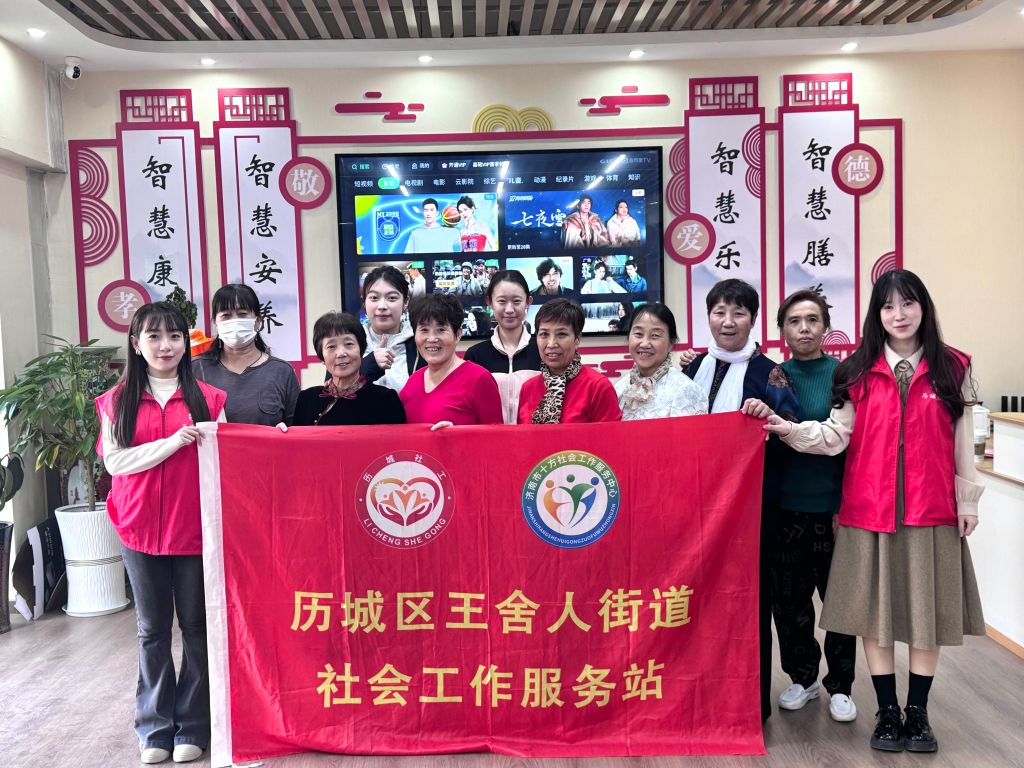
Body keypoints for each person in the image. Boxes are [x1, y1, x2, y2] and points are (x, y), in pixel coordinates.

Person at [760, 270, 984, 754]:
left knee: (926, 614)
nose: (899, 315)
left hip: (931, 509)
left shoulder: (953, 366)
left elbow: (962, 441)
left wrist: (967, 501)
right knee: (874, 615)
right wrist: (788, 429)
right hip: (868, 509)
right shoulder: (858, 371)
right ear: (876, 315)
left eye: (908, 304)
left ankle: (917, 712)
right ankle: (887, 711)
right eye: (888, 306)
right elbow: (836, 435)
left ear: (923, 308)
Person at [95, 302, 227, 766]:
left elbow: (226, 460)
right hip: (138, 528)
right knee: (151, 631)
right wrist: (171, 444)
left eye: (174, 336)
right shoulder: (117, 400)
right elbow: (116, 462)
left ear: (186, 344)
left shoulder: (210, 399)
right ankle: (153, 727)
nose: (166, 346)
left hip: (194, 530)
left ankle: (193, 724)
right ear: (137, 345)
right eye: (154, 337)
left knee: (196, 628)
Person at [681, 278, 800, 723]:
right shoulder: (691, 369)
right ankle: (696, 697)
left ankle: (748, 703)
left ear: (753, 320)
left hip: (752, 511)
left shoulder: (770, 373)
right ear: (708, 317)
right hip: (693, 510)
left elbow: (791, 430)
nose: (728, 321)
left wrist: (767, 417)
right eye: (719, 312)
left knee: (749, 600)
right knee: (695, 600)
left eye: (738, 313)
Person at [749, 290, 858, 723]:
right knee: (789, 604)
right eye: (794, 321)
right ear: (782, 330)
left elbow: (849, 444)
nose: (804, 328)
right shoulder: (773, 376)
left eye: (813, 319)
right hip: (784, 509)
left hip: (833, 511)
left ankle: (841, 686)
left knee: (840, 603)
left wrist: (846, 505)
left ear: (826, 326)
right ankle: (804, 678)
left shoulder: (844, 376)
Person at [192, 284, 299, 427]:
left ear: (258, 321)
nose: (234, 321)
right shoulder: (196, 369)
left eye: (242, 314)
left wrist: (285, 432)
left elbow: (298, 429)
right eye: (226, 315)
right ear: (215, 323)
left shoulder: (282, 372)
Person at [400, 293, 503, 426]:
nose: (432, 339)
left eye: (441, 330)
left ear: (458, 334)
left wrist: (457, 434)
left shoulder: (480, 379)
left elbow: (496, 435)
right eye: (424, 330)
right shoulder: (413, 381)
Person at [518, 299, 622, 424]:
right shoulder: (528, 388)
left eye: (561, 334)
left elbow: (611, 435)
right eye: (544, 334)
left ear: (577, 338)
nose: (551, 344)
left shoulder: (598, 387)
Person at [293, 312, 406, 426]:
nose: (341, 353)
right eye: (331, 346)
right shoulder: (306, 399)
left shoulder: (386, 399)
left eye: (348, 344)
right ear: (322, 358)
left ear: (361, 350)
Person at [464, 270, 542, 424]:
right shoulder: (475, 355)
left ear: (528, 302)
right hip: (491, 438)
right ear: (489, 302)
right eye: (501, 301)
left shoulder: (542, 350)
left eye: (517, 301)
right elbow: (467, 409)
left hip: (534, 437)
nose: (509, 309)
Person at [615, 304, 707, 420]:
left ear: (671, 343)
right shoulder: (618, 389)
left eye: (655, 335)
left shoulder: (687, 390)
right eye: (638, 334)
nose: (645, 343)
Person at [359, 265, 424, 391]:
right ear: (364, 302)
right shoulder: (349, 342)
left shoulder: (420, 343)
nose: (382, 306)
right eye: (374, 298)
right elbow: (333, 394)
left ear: (406, 302)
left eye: (392, 298)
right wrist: (370, 363)